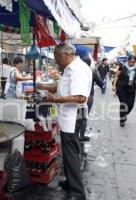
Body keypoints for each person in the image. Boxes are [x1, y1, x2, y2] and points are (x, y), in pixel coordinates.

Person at [37, 43, 92, 200]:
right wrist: (44, 87)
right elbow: (63, 88)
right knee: (68, 154)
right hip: (67, 117)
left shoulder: (78, 70)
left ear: (66, 54)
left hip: (74, 117)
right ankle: (70, 182)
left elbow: (81, 97)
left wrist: (54, 98)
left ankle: (78, 193)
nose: (56, 62)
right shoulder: (68, 69)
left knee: (72, 154)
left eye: (57, 58)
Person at [75, 55, 104, 142]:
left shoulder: (77, 71)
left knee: (78, 116)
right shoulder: (92, 72)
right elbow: (101, 84)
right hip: (89, 96)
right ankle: (81, 135)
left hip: (78, 96)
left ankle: (76, 134)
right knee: (84, 117)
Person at [112, 55, 136, 127]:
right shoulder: (122, 67)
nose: (132, 63)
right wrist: (114, 86)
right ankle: (122, 120)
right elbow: (117, 76)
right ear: (128, 61)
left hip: (131, 89)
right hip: (121, 88)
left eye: (133, 62)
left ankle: (125, 114)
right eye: (130, 62)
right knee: (123, 104)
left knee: (130, 105)